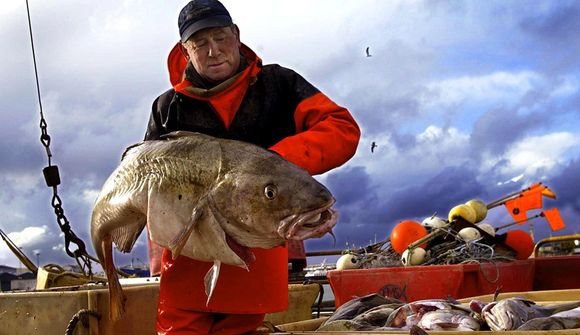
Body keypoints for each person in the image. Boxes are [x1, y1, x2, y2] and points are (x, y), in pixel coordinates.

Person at [144, 0, 360, 333]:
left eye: (220, 37)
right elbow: (145, 177)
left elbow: (342, 128)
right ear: (185, 51)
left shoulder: (279, 84)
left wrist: (274, 166)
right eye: (200, 43)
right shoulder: (167, 107)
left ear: (236, 35)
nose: (213, 50)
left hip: (258, 251)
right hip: (188, 255)